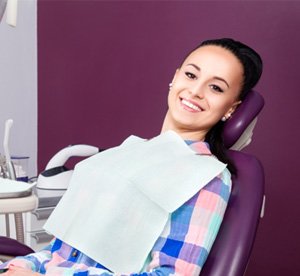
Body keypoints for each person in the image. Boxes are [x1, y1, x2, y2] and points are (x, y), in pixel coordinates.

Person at [0, 38, 263, 276]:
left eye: (216, 87)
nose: (195, 91)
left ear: (231, 108)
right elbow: (62, 254)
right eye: (191, 75)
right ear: (175, 78)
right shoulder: (127, 154)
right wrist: (21, 266)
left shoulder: (206, 178)